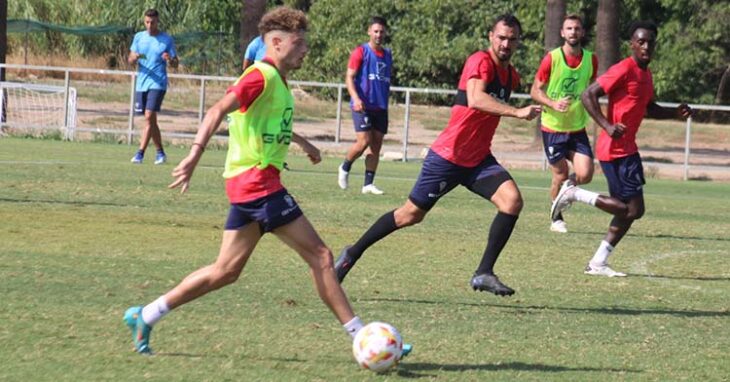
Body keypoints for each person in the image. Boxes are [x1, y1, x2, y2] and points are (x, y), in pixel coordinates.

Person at [122, 7, 407, 356]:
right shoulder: (260, 75)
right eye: (299, 43)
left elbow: (266, 122)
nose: (305, 50)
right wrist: (194, 154)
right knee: (321, 257)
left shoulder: (278, 81)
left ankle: (146, 315)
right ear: (275, 42)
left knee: (225, 271)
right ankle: (363, 338)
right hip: (258, 184)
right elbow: (217, 111)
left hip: (250, 184)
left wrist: (303, 143)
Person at [334, 14, 541, 296]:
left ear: (518, 42)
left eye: (512, 39)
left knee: (512, 201)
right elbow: (476, 98)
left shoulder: (510, 75)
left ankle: (483, 272)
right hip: (448, 157)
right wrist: (517, 112)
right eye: (501, 37)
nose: (506, 43)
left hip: (478, 159)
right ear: (490, 36)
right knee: (409, 215)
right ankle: (351, 254)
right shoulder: (479, 60)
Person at [552, 20, 692, 277]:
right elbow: (587, 95)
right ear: (632, 45)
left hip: (627, 148)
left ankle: (597, 263)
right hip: (616, 149)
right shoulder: (624, 69)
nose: (646, 46)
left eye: (650, 42)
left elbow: (649, 107)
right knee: (632, 210)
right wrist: (606, 125)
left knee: (630, 211)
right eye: (641, 42)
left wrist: (675, 111)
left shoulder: (646, 74)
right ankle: (574, 194)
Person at [530, 14, 598, 233]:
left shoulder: (591, 59)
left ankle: (562, 193)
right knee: (559, 175)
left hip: (577, 127)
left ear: (582, 32)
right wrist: (552, 102)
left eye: (577, 28)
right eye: (569, 28)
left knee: (586, 174)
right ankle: (556, 216)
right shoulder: (552, 58)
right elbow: (535, 90)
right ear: (562, 32)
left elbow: (591, 89)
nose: (573, 32)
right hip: (553, 128)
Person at [337, 16, 392, 195]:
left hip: (380, 107)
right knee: (364, 142)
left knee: (376, 146)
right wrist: (356, 98)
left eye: (381, 32)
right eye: (375, 31)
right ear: (369, 31)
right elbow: (349, 77)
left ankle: (368, 184)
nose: (378, 35)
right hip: (362, 105)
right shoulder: (361, 52)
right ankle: (344, 167)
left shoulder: (388, 55)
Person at [129, 8, 178, 165]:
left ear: (158, 22)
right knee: (151, 120)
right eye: (147, 22)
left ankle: (140, 153)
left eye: (153, 22)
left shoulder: (166, 40)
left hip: (158, 83)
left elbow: (175, 63)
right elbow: (130, 59)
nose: (150, 25)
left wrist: (170, 59)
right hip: (142, 83)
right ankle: (160, 153)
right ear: (144, 22)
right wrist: (134, 58)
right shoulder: (139, 38)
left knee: (149, 116)